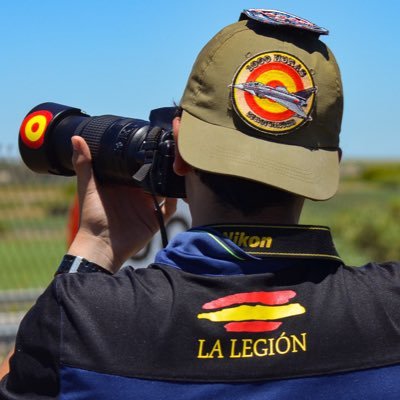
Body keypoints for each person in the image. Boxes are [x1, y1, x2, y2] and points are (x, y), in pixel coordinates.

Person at [1, 8, 400, 399]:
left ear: (179, 152)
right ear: (328, 167)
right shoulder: (388, 310)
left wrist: (96, 246)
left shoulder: (84, 321)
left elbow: (33, 374)